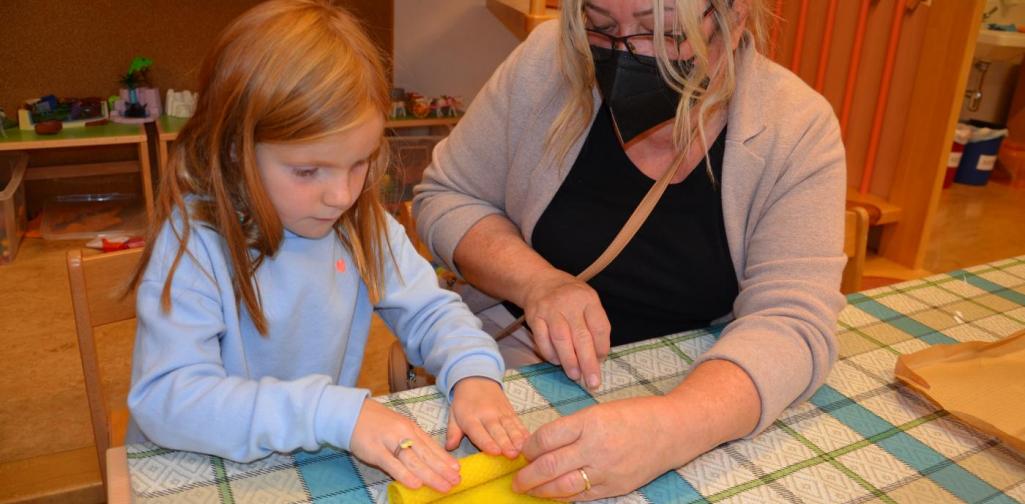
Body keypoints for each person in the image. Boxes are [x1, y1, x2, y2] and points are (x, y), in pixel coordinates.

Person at [413, 0, 847, 499]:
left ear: (735, 17)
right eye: (599, 26)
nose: (626, 54)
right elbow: (447, 197)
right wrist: (537, 282)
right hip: (515, 360)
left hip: (696, 382)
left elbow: (793, 319)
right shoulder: (544, 65)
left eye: (662, 31)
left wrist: (673, 426)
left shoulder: (795, 127)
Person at [125, 0, 527, 493]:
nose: (342, 195)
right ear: (234, 150)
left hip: (302, 462)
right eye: (307, 171)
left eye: (359, 162)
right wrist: (333, 412)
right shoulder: (194, 243)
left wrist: (472, 372)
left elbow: (430, 312)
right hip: (197, 470)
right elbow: (169, 399)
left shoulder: (362, 223)